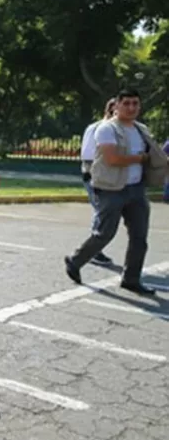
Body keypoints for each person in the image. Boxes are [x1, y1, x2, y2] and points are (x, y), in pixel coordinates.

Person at [66, 88, 165, 295]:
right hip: (111, 189)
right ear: (117, 105)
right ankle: (76, 261)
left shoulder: (141, 129)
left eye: (135, 104)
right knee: (104, 234)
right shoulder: (106, 129)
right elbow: (113, 159)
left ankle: (131, 279)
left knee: (140, 237)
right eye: (126, 103)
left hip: (136, 189)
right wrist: (141, 158)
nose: (131, 108)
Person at [78, 99, 117, 266]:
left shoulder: (119, 130)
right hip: (96, 176)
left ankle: (93, 250)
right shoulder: (97, 128)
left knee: (104, 213)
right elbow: (87, 154)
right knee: (101, 213)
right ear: (109, 112)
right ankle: (92, 251)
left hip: (110, 178)